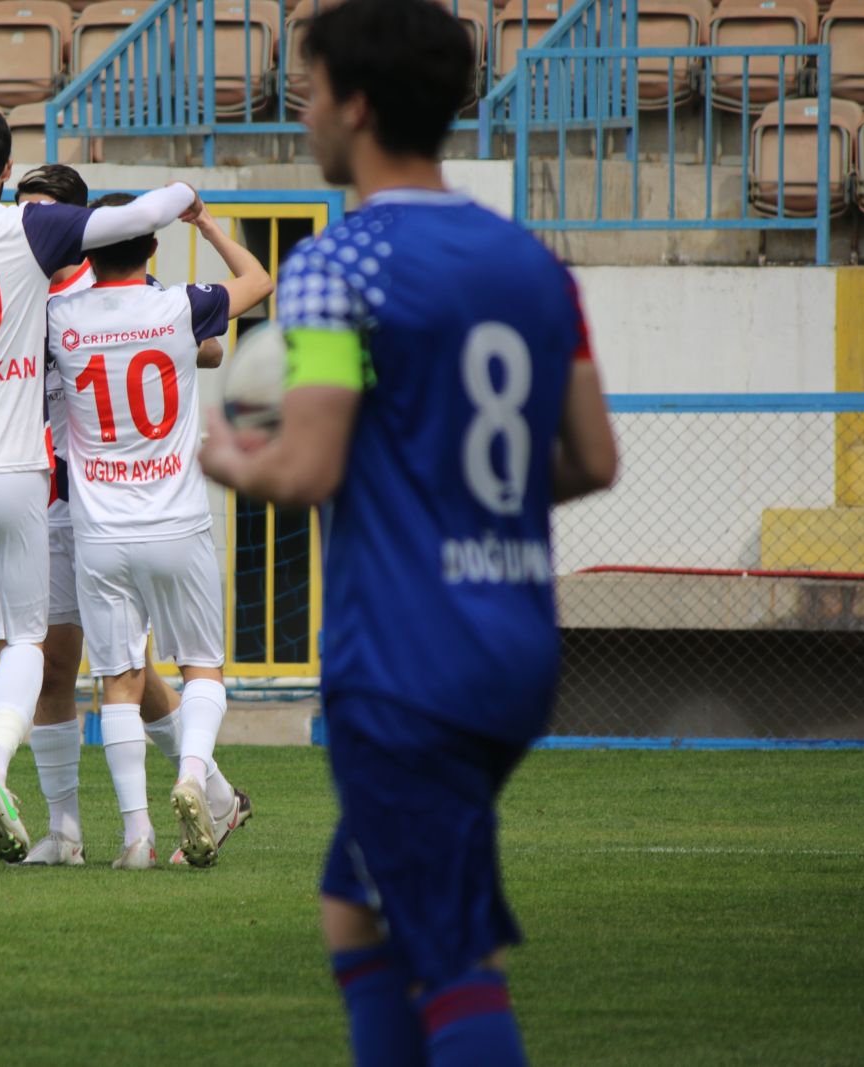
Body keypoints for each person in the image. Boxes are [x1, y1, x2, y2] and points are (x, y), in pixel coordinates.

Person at [198, 0, 618, 1061]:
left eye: (311, 85)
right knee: (357, 904)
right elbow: (591, 457)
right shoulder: (532, 263)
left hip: (407, 653)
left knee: (452, 951)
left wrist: (219, 452)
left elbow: (306, 466)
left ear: (359, 104)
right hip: (513, 639)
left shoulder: (341, 267)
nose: (301, 104)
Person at [0, 103, 205, 868]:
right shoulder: (25, 228)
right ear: (3, 170)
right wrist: (186, 193)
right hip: (13, 472)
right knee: (23, 639)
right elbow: (142, 214)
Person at [12, 165, 250, 868]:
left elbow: (205, 346)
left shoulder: (89, 299)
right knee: (69, 666)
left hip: (93, 506)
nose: (29, 229)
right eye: (23, 213)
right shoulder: (26, 295)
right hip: (61, 501)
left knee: (124, 671)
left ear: (84, 230)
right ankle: (70, 829)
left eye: (44, 215)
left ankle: (195, 797)